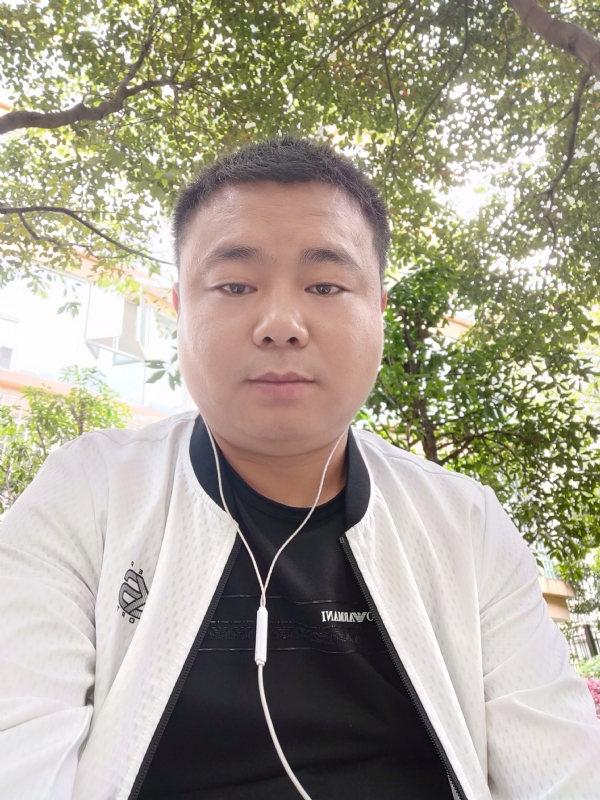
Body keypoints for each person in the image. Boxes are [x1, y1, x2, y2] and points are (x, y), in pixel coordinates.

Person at [0, 137, 598, 800]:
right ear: (180, 308)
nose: (280, 323)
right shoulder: (89, 494)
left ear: (378, 310)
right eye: (234, 285)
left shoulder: (465, 523)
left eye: (325, 286)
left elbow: (562, 771)